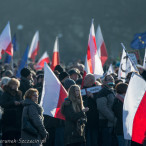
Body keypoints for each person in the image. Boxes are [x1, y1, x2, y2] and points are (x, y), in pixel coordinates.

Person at [0, 78, 23, 146]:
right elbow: (2, 103)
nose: (16, 86)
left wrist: (21, 103)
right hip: (8, 119)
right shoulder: (6, 93)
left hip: (17, 120)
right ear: (10, 85)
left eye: (17, 84)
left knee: (17, 139)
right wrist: (13, 103)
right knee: (8, 138)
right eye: (14, 84)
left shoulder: (18, 93)